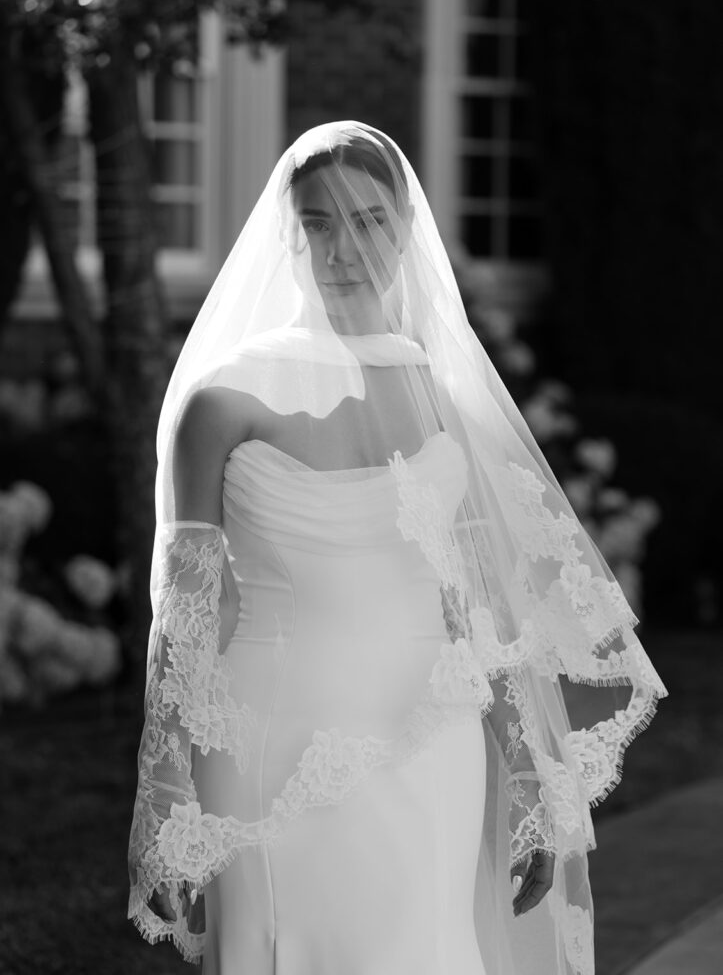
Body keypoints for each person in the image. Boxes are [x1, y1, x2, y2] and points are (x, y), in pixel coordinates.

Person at [127, 121, 667, 974]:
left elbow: (477, 602)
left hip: (434, 742)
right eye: (318, 223)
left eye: (371, 221)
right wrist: (163, 797)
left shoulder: (440, 394)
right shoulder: (222, 401)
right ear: (285, 238)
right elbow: (184, 616)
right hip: (274, 738)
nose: (345, 249)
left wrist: (526, 773)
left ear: (406, 233)